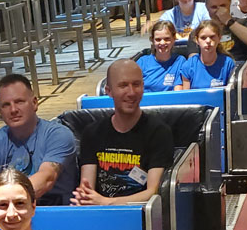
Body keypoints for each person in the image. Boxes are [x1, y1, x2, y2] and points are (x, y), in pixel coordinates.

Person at [72, 59, 174, 205]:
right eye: (123, 85)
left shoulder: (159, 132)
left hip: (140, 213)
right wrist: (85, 199)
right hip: (99, 211)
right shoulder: (92, 133)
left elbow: (153, 192)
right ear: (109, 91)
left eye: (136, 84)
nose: (131, 92)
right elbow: (87, 188)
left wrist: (106, 202)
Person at [0, 74, 77, 211]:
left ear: (34, 103)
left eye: (19, 102)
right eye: (6, 105)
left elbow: (47, 178)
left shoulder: (58, 135)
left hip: (55, 214)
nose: (13, 110)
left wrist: (1, 197)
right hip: (8, 215)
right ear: (0, 110)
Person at [200, 0, 247, 65]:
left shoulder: (244, 22)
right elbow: (193, 61)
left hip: (238, 67)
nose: (219, 11)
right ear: (207, 7)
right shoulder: (201, 31)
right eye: (214, 7)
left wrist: (228, 21)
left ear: (230, 3)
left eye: (223, 6)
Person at [133, 19, 189, 91]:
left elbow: (178, 90)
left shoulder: (180, 61)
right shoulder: (142, 63)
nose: (162, 43)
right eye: (158, 39)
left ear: (174, 39)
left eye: (167, 39)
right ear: (152, 40)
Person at [182, 20, 236, 89]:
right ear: (196, 40)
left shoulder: (228, 63)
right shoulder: (188, 66)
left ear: (219, 38)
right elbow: (186, 94)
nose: (208, 41)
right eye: (203, 38)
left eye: (212, 37)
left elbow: (231, 92)